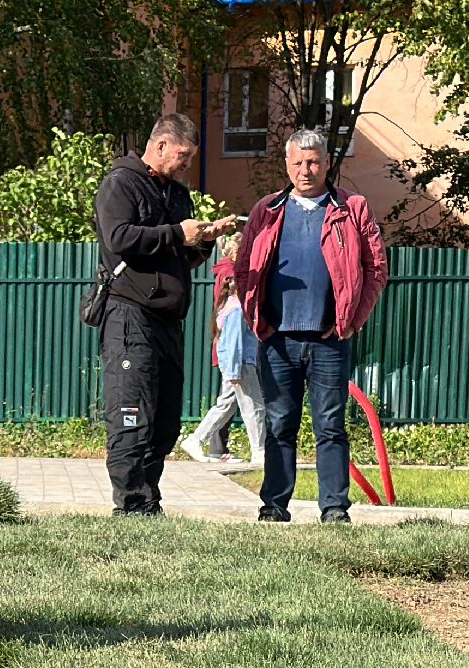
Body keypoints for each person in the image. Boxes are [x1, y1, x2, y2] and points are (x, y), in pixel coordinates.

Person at [233, 128, 389, 524]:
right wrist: (256, 319)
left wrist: (353, 320)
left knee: (331, 426)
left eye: (314, 161)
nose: (306, 169)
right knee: (280, 424)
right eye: (298, 163)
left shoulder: (351, 208)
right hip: (278, 339)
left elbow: (376, 268)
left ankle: (334, 507)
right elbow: (244, 267)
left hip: (330, 339)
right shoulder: (267, 211)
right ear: (287, 165)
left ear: (327, 162)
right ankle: (274, 505)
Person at [93, 113, 241, 515]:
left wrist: (205, 241)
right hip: (129, 315)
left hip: (168, 320)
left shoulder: (177, 194)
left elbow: (178, 257)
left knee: (165, 419)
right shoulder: (120, 183)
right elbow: (119, 238)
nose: (186, 165)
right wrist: (178, 233)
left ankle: (149, 499)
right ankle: (131, 506)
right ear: (160, 146)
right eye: (182, 155)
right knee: (131, 414)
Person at [181, 240, 267, 465]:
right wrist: (235, 370)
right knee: (254, 407)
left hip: (235, 365)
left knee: (226, 405)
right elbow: (235, 342)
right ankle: (260, 452)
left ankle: (195, 439)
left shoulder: (229, 307)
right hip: (241, 365)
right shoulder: (237, 311)